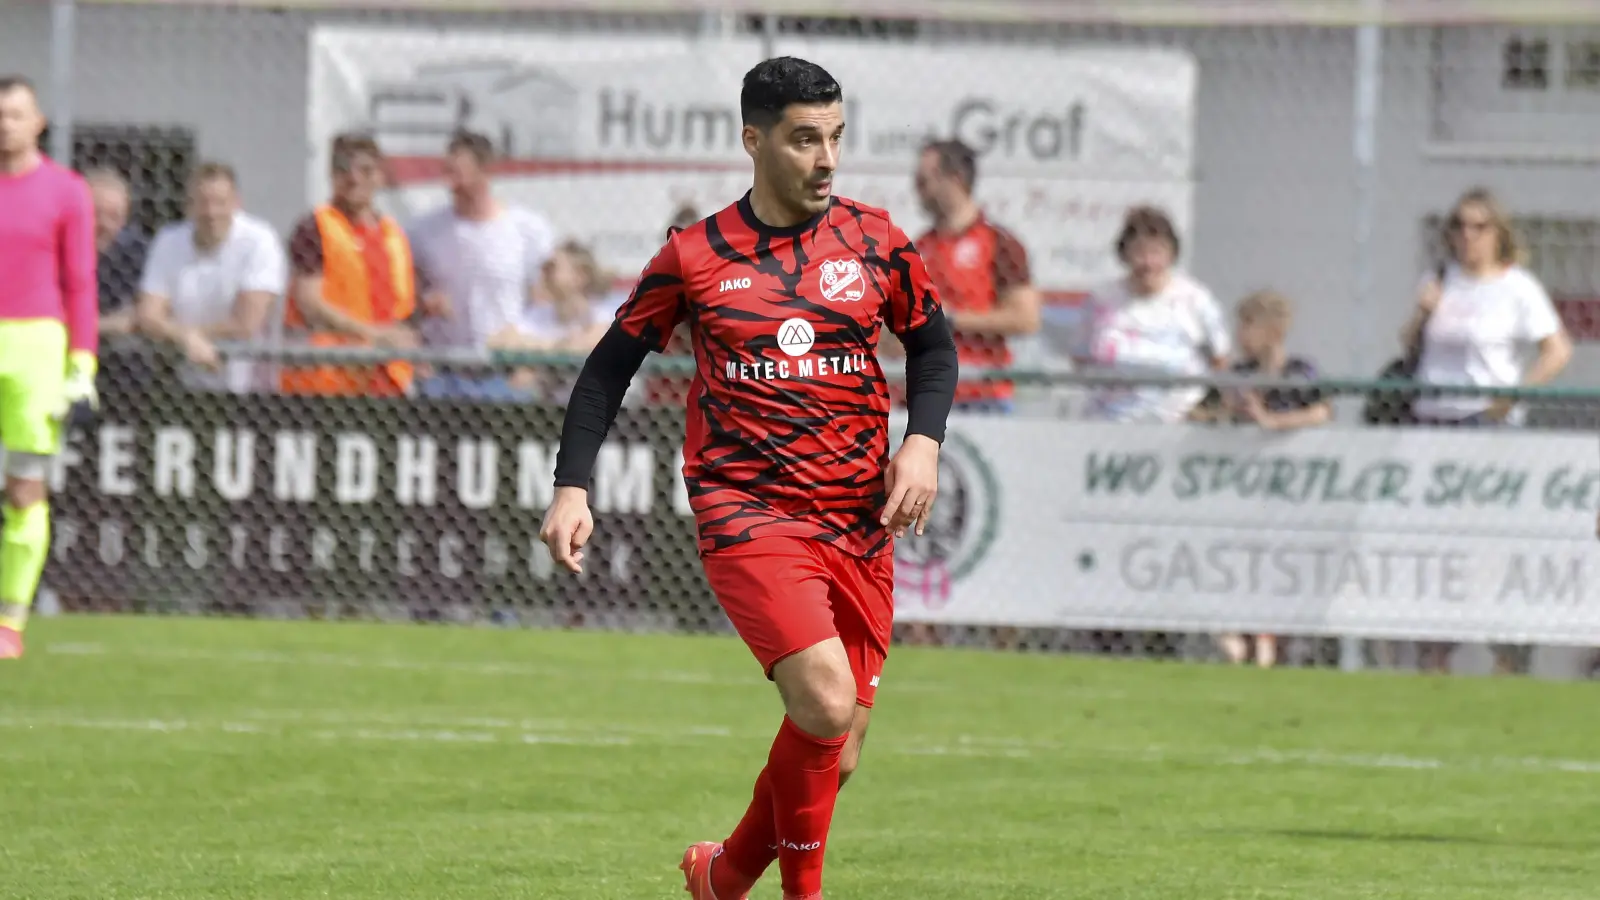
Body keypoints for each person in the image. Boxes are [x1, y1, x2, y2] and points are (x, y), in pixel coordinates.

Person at [538, 57, 957, 900]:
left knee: (837, 751)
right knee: (826, 706)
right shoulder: (695, 257)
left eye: (836, 137)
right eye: (806, 140)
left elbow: (935, 348)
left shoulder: (878, 241)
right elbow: (605, 372)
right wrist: (572, 486)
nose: (827, 159)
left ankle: (721, 878)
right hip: (748, 513)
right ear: (754, 141)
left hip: (858, 517)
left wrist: (924, 443)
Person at [1400, 187, 1571, 676]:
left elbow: (1556, 349)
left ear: (1498, 233)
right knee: (1436, 545)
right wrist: (1421, 312)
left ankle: (1506, 653)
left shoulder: (1517, 287)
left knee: (1490, 541)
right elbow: (1410, 345)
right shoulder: (1440, 280)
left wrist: (1514, 393)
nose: (1467, 236)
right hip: (1435, 419)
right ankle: (1436, 653)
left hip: (1487, 424)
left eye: (1479, 227)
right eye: (1459, 226)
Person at [0, 75, 99, 659]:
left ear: (38, 122)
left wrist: (81, 364)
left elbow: (80, 283)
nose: (5, 123)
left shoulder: (66, 192)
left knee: (25, 488)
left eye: (15, 114)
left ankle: (10, 621)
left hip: (37, 348)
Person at [1191, 289, 1332, 667]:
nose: (1241, 335)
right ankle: (1237, 638)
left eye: (1248, 325)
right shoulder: (1236, 377)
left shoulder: (1299, 373)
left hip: (1286, 493)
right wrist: (1226, 414)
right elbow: (1199, 414)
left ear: (1274, 330)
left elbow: (1321, 412)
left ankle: (1271, 643)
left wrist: (1273, 421)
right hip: (1239, 492)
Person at [407, 129, 556, 400]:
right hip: (444, 374)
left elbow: (544, 304)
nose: (451, 182)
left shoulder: (527, 230)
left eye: (459, 172)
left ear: (485, 171)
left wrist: (531, 365)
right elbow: (409, 298)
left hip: (506, 374)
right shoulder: (424, 231)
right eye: (447, 171)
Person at [281, 133, 419, 396]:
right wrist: (372, 335)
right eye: (344, 169)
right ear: (331, 175)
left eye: (366, 170)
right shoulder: (316, 227)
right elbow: (310, 303)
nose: (354, 179)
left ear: (380, 176)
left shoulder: (393, 235)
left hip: (387, 382)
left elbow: (405, 309)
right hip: (325, 385)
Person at [135, 162, 287, 394]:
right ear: (188, 207)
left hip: (251, 391)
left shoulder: (259, 240)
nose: (211, 213)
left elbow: (246, 323)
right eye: (202, 203)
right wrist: (187, 339)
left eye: (220, 202)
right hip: (183, 385)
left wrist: (187, 335)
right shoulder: (168, 241)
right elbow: (148, 315)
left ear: (237, 203)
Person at [910, 138, 1038, 411]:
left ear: (954, 180)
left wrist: (951, 320)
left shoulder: (999, 243)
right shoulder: (919, 247)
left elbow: (1026, 318)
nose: (917, 190)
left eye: (924, 181)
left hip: (981, 395)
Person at [1077, 205, 1229, 423]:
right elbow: (1081, 357)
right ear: (1124, 253)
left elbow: (1220, 358)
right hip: (1110, 419)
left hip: (1178, 421)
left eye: (1156, 252)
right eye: (1139, 252)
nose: (1148, 263)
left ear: (1171, 255)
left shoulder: (1195, 299)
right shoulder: (1101, 299)